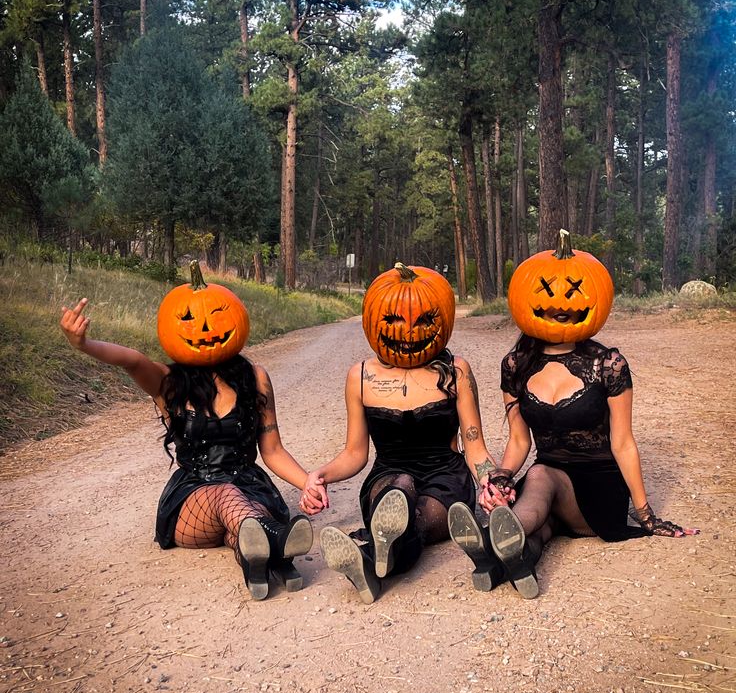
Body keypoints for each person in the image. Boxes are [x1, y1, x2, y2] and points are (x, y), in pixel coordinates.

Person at [448, 230, 699, 600]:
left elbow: (623, 442)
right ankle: (506, 562)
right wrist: (501, 476)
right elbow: (520, 440)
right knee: (539, 525)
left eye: (574, 290)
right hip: (547, 493)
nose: (561, 303)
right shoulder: (515, 365)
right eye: (547, 291)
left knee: (539, 475)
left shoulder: (607, 364)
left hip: (598, 491)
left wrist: (645, 513)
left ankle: (488, 539)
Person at [60, 265, 323, 601]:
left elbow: (272, 450)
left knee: (241, 525)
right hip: (192, 502)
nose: (204, 327)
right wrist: (84, 344)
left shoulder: (254, 378)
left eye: (217, 317)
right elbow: (132, 360)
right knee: (226, 495)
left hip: (249, 490)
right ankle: (278, 539)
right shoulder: (168, 384)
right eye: (189, 319)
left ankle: (257, 561)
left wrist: (306, 483)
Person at [300, 262, 502, 603]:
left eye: (423, 320)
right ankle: (382, 546)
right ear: (374, 320)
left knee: (417, 517)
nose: (408, 331)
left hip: (446, 479)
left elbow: (475, 445)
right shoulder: (360, 376)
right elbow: (355, 454)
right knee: (401, 488)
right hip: (388, 476)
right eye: (393, 320)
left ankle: (371, 557)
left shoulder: (456, 372)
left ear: (441, 321)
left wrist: (489, 480)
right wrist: (319, 475)